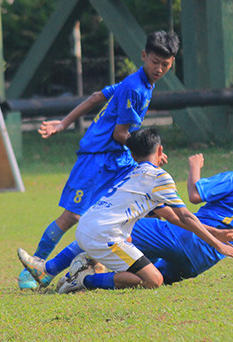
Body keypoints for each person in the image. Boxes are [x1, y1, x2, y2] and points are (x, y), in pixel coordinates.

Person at [17, 30, 179, 289]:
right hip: (98, 157)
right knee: (73, 216)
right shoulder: (135, 88)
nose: (159, 69)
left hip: (119, 158)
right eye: (154, 62)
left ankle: (113, 263)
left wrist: (64, 123)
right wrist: (147, 154)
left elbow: (96, 97)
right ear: (143, 56)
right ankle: (38, 267)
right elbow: (120, 133)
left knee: (136, 209)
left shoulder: (142, 83)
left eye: (165, 65)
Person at [20, 144, 233, 287]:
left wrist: (195, 166)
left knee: (110, 228)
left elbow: (195, 195)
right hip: (198, 263)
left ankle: (49, 270)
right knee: (146, 279)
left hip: (181, 237)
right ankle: (84, 281)